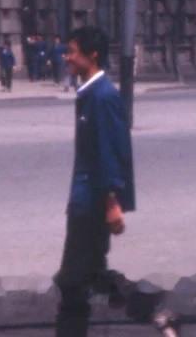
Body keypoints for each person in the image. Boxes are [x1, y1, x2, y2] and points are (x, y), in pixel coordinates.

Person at [54, 26, 175, 336]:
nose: (66, 57)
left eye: (72, 51)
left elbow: (111, 151)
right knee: (90, 275)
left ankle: (149, 305)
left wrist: (112, 202)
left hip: (92, 202)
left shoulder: (103, 96)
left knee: (72, 281)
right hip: (84, 198)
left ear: (92, 55)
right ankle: (151, 306)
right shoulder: (89, 94)